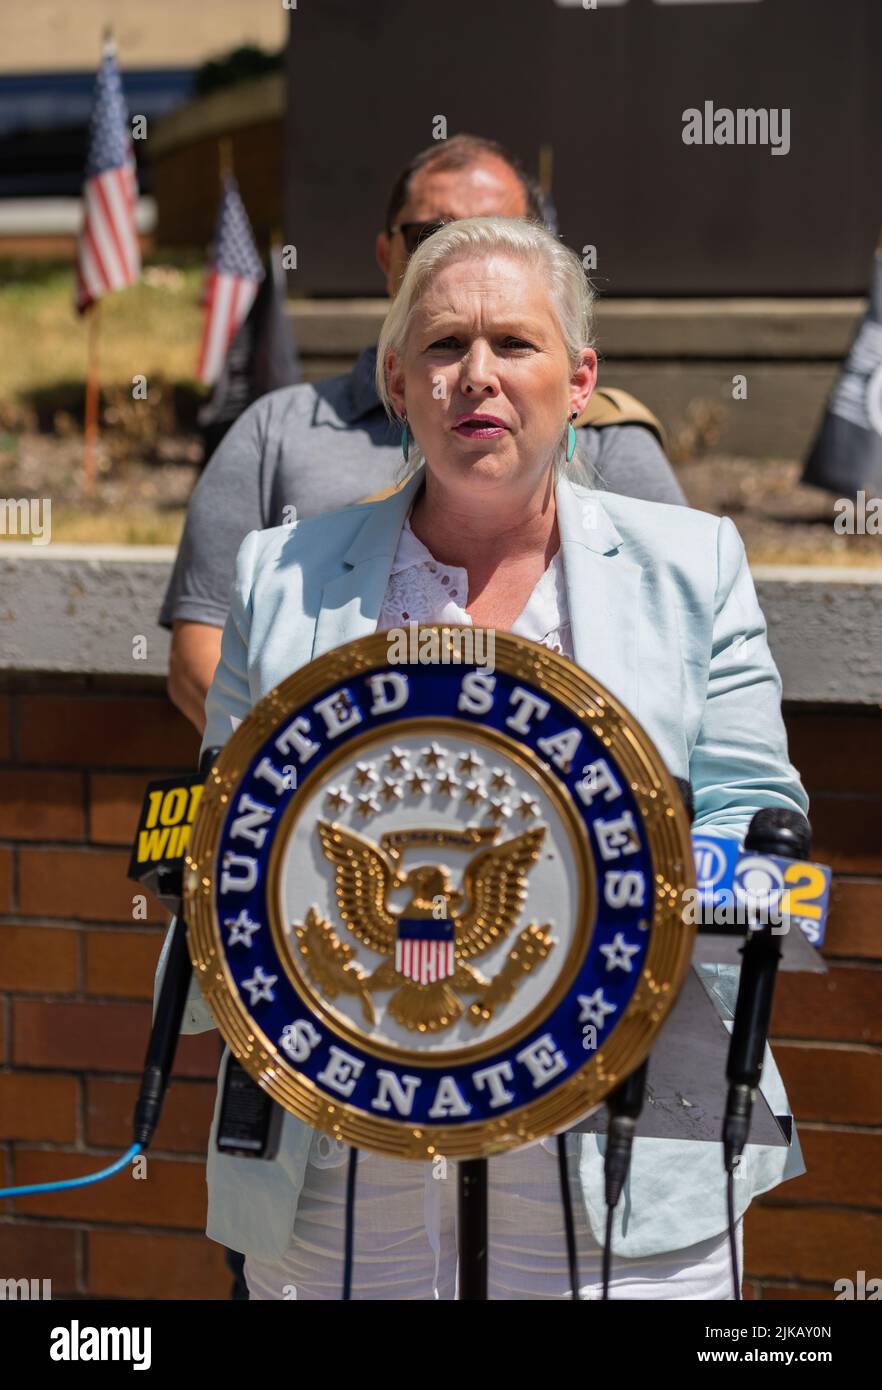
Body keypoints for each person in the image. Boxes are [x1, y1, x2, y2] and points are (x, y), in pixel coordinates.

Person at [155, 216, 807, 1300]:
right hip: (339, 1166)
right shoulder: (280, 577)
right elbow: (207, 825)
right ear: (397, 382)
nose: (477, 377)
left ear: (581, 378)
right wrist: (183, 873)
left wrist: (640, 896)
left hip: (621, 1149)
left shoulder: (695, 567)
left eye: (514, 344)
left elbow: (773, 854)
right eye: (445, 347)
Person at [162, 133, 685, 734]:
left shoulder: (615, 440)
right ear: (387, 256)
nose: (464, 251)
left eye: (498, 231)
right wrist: (310, 769)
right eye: (430, 236)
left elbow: (675, 635)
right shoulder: (272, 431)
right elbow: (198, 656)